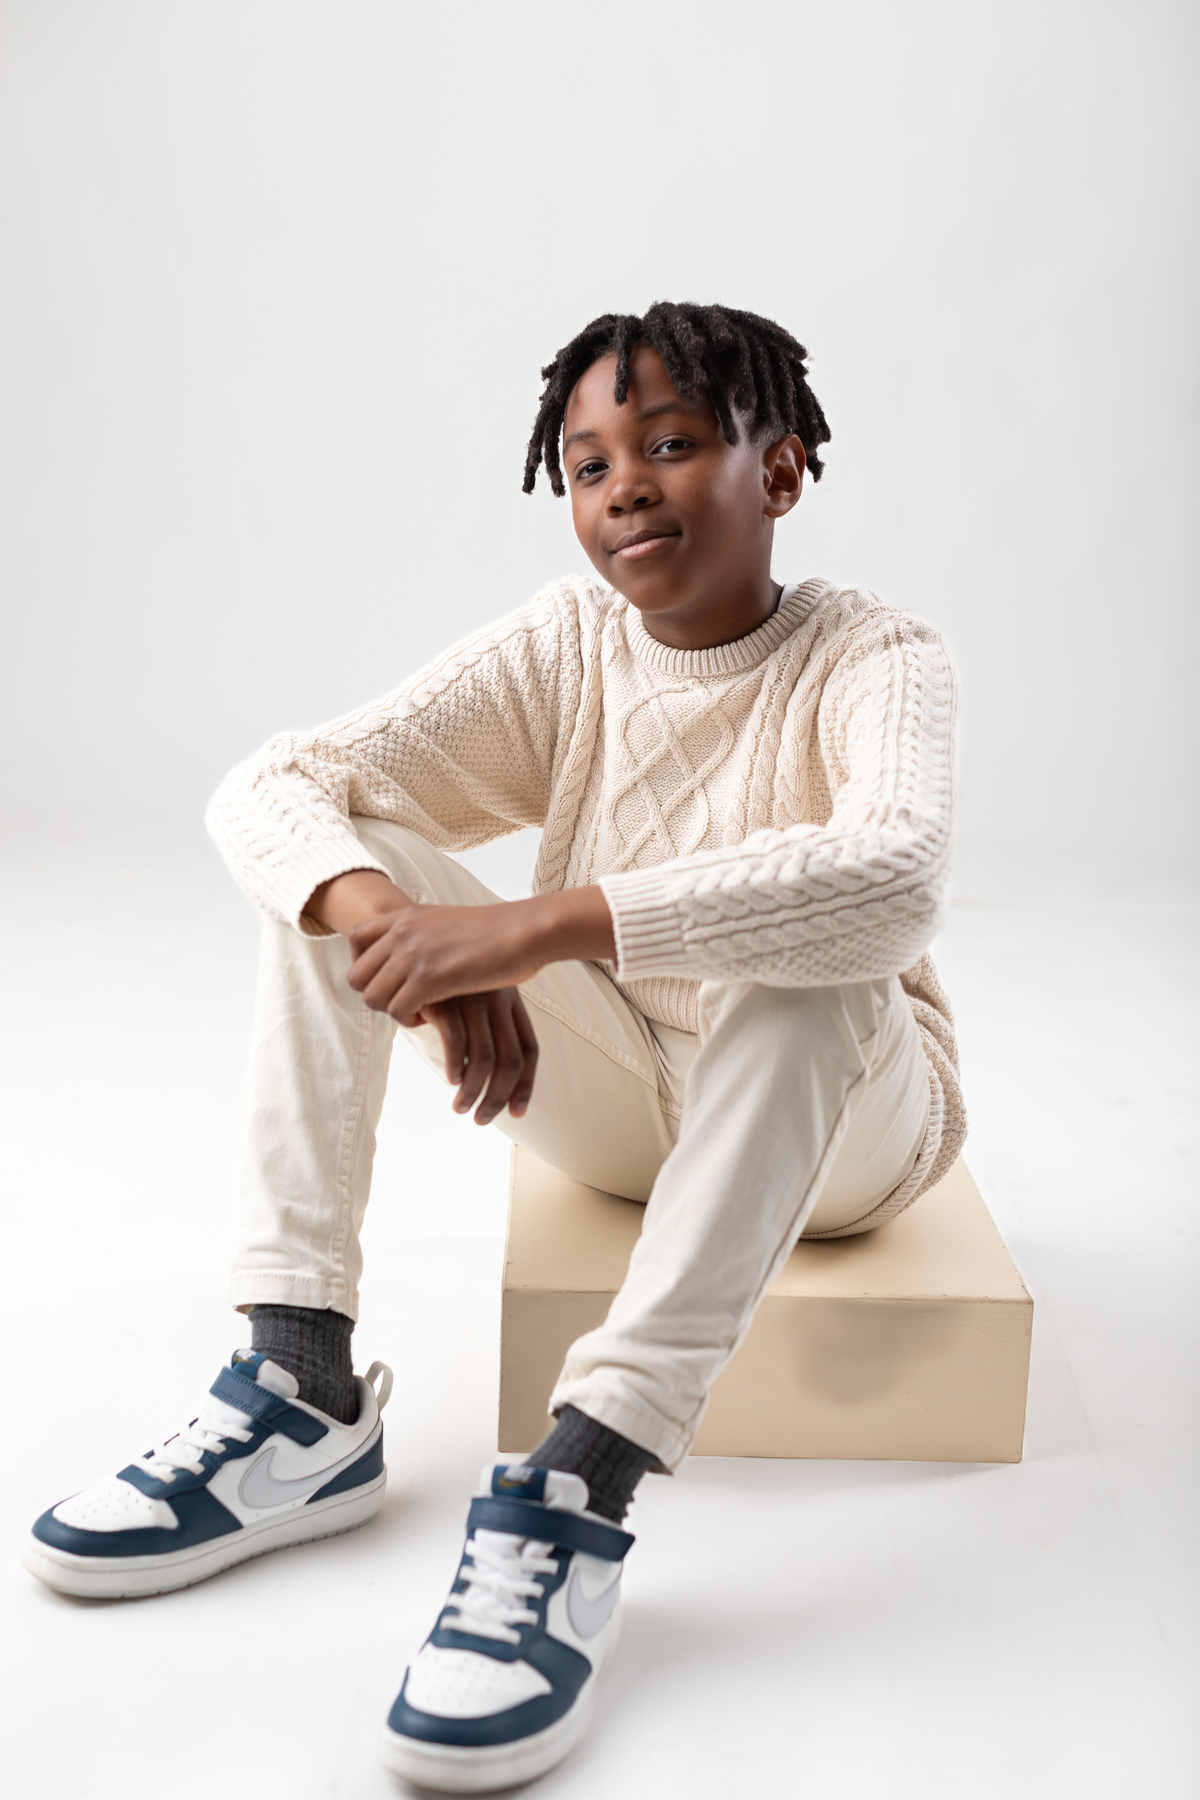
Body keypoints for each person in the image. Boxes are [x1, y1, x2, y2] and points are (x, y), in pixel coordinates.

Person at [24, 302, 964, 1793]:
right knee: (332, 862)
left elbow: (893, 877)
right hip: (622, 1106)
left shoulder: (874, 653)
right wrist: (401, 925)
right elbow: (274, 782)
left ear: (780, 470)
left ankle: (583, 1483)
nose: (625, 488)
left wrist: (523, 934)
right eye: (588, 465)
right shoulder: (569, 645)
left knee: (812, 963)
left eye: (672, 444)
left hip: (844, 1133)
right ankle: (299, 1391)